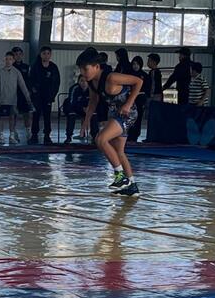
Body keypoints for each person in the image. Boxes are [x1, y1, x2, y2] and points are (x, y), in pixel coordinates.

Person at [78, 47, 142, 197]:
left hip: (127, 113)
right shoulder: (92, 82)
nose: (82, 73)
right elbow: (93, 101)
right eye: (80, 69)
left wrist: (128, 104)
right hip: (115, 113)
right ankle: (132, 186)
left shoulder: (112, 77)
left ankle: (120, 176)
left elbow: (138, 82)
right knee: (118, 151)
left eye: (85, 69)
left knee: (100, 139)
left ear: (96, 66)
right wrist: (86, 122)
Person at [0, 51, 30, 145]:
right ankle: (1, 135)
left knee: (12, 117)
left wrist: (28, 98)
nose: (8, 61)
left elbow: (22, 85)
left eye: (10, 59)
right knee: (1, 117)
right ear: (4, 60)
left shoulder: (17, 72)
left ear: (13, 60)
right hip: (2, 99)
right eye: (6, 59)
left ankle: (12, 136)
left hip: (13, 100)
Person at [28, 46, 61, 145]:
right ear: (41, 54)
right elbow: (30, 80)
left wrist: (52, 95)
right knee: (36, 115)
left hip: (48, 96)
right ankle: (34, 135)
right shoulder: (35, 66)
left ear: (50, 55)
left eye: (48, 53)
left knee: (47, 116)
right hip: (37, 96)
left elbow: (56, 82)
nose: (46, 55)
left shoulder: (53, 67)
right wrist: (33, 91)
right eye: (44, 53)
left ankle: (47, 135)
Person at [62, 75, 91, 144]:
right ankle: (68, 137)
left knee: (94, 114)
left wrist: (88, 108)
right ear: (78, 82)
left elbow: (93, 101)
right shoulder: (74, 88)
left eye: (86, 81)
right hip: (72, 107)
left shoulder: (91, 89)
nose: (84, 83)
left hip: (85, 109)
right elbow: (72, 102)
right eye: (82, 81)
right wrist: (82, 108)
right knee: (71, 115)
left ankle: (94, 136)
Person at [127, 56, 150, 142]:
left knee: (138, 118)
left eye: (137, 64)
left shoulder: (144, 75)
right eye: (134, 64)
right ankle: (128, 135)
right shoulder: (129, 75)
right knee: (129, 117)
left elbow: (147, 89)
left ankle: (135, 135)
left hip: (139, 100)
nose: (135, 66)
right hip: (130, 100)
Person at [11, 47, 32, 139]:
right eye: (16, 54)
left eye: (20, 54)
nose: (18, 56)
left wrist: (29, 92)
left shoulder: (27, 67)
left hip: (24, 94)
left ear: (22, 55)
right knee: (13, 114)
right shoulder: (10, 67)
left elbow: (30, 80)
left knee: (27, 114)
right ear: (13, 56)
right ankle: (13, 132)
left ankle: (28, 132)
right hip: (13, 94)